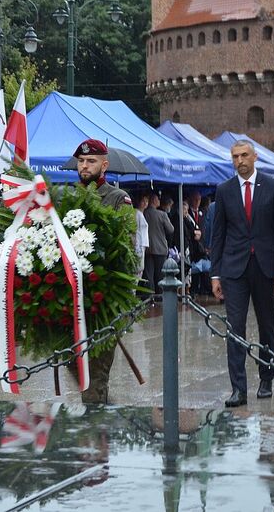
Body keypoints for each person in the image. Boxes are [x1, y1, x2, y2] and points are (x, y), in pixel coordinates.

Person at [210, 140, 274, 408]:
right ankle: (238, 389)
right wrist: (215, 274)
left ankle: (266, 379)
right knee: (235, 328)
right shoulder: (224, 190)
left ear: (255, 157)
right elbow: (218, 234)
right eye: (235, 157)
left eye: (244, 155)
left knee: (267, 325)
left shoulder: (273, 186)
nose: (240, 160)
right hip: (234, 269)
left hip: (265, 268)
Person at [73, 138, 135, 404]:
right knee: (75, 365)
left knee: (96, 374)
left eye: (91, 161)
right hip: (71, 299)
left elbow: (128, 249)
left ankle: (95, 432)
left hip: (102, 299)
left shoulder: (118, 199)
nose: (85, 166)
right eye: (81, 161)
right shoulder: (70, 197)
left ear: (104, 165)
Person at [144, 192, 173, 295]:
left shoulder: (143, 213)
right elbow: (171, 229)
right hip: (160, 249)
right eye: (158, 200)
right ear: (155, 201)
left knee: (149, 275)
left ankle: (149, 297)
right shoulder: (162, 214)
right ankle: (160, 297)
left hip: (147, 248)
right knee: (160, 276)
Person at [134, 193, 150, 283]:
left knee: (140, 270)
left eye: (147, 201)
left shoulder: (142, 214)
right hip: (139, 245)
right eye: (143, 201)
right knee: (138, 270)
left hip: (142, 245)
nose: (145, 203)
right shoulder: (137, 213)